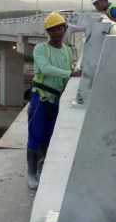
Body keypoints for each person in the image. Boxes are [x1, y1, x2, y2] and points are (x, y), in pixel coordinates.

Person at [26, 12, 82, 190]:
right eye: (52, 29)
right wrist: (71, 73)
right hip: (41, 97)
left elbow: (66, 74)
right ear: (47, 32)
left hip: (57, 99)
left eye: (60, 28)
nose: (57, 32)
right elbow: (46, 68)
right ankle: (31, 172)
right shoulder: (41, 49)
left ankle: (42, 166)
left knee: (49, 135)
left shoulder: (66, 50)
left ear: (65, 29)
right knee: (36, 133)